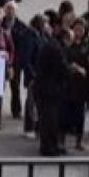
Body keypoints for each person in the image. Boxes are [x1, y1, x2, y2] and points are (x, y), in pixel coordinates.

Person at [34, 25, 69, 156]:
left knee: (47, 120)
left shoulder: (52, 45)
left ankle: (49, 145)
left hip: (44, 89)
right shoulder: (56, 49)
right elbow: (62, 69)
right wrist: (72, 69)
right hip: (49, 91)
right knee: (50, 121)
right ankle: (49, 148)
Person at [2, 2, 39, 122]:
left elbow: (24, 43)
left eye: (12, 9)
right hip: (0, 61)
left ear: (15, 11)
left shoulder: (22, 26)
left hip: (16, 61)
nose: (10, 11)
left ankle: (16, 110)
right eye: (8, 9)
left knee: (15, 86)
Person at [63, 20, 89, 150]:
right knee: (65, 114)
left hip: (82, 84)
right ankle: (62, 140)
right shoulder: (68, 42)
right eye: (76, 29)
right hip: (69, 82)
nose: (78, 32)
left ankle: (78, 141)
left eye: (81, 29)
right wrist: (73, 67)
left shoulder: (88, 45)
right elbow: (63, 58)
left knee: (80, 115)